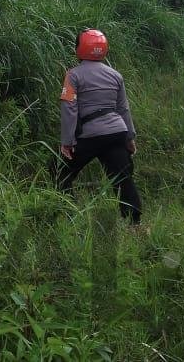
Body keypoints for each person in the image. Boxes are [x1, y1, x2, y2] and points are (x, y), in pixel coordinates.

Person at [59, 29, 142, 224]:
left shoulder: (73, 75)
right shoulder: (115, 75)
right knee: (123, 178)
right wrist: (129, 138)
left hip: (90, 135)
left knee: (59, 170)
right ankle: (134, 224)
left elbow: (69, 108)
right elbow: (123, 108)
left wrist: (67, 142)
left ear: (80, 48)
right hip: (116, 133)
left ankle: (67, 213)